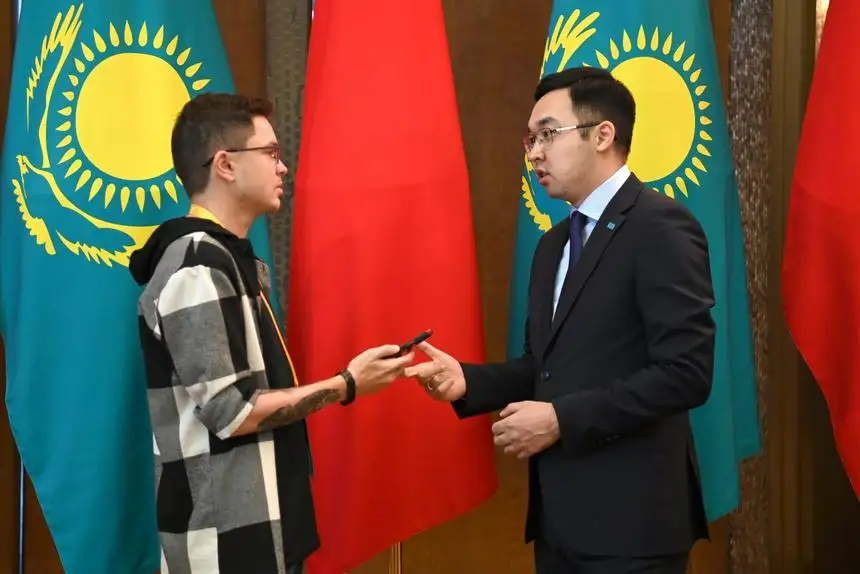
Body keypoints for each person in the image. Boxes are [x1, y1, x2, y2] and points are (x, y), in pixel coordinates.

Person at [405, 67, 715, 573]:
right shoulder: (553, 245)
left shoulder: (660, 227)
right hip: (559, 524)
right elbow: (546, 367)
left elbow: (686, 373)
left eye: (548, 134)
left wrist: (560, 420)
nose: (534, 153)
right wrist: (468, 382)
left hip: (632, 527)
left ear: (603, 135)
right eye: (531, 139)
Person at [129, 93, 413, 574]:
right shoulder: (198, 265)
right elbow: (231, 412)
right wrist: (347, 384)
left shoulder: (229, 259)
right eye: (271, 153)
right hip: (223, 544)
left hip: (261, 526)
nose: (283, 168)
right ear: (225, 165)